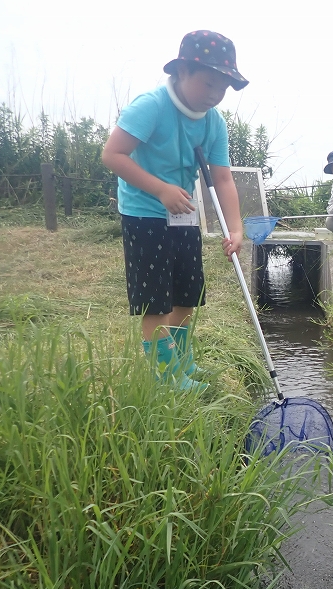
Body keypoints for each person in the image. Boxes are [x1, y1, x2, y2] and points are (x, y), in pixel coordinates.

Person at [101, 30, 247, 392]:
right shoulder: (151, 106)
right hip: (144, 213)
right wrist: (160, 189)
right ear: (182, 71)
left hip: (183, 213)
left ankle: (182, 363)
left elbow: (223, 178)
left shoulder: (214, 123)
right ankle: (166, 379)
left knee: (186, 294)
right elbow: (113, 155)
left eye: (223, 88)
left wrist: (236, 228)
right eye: (208, 83)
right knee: (156, 302)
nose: (214, 95)